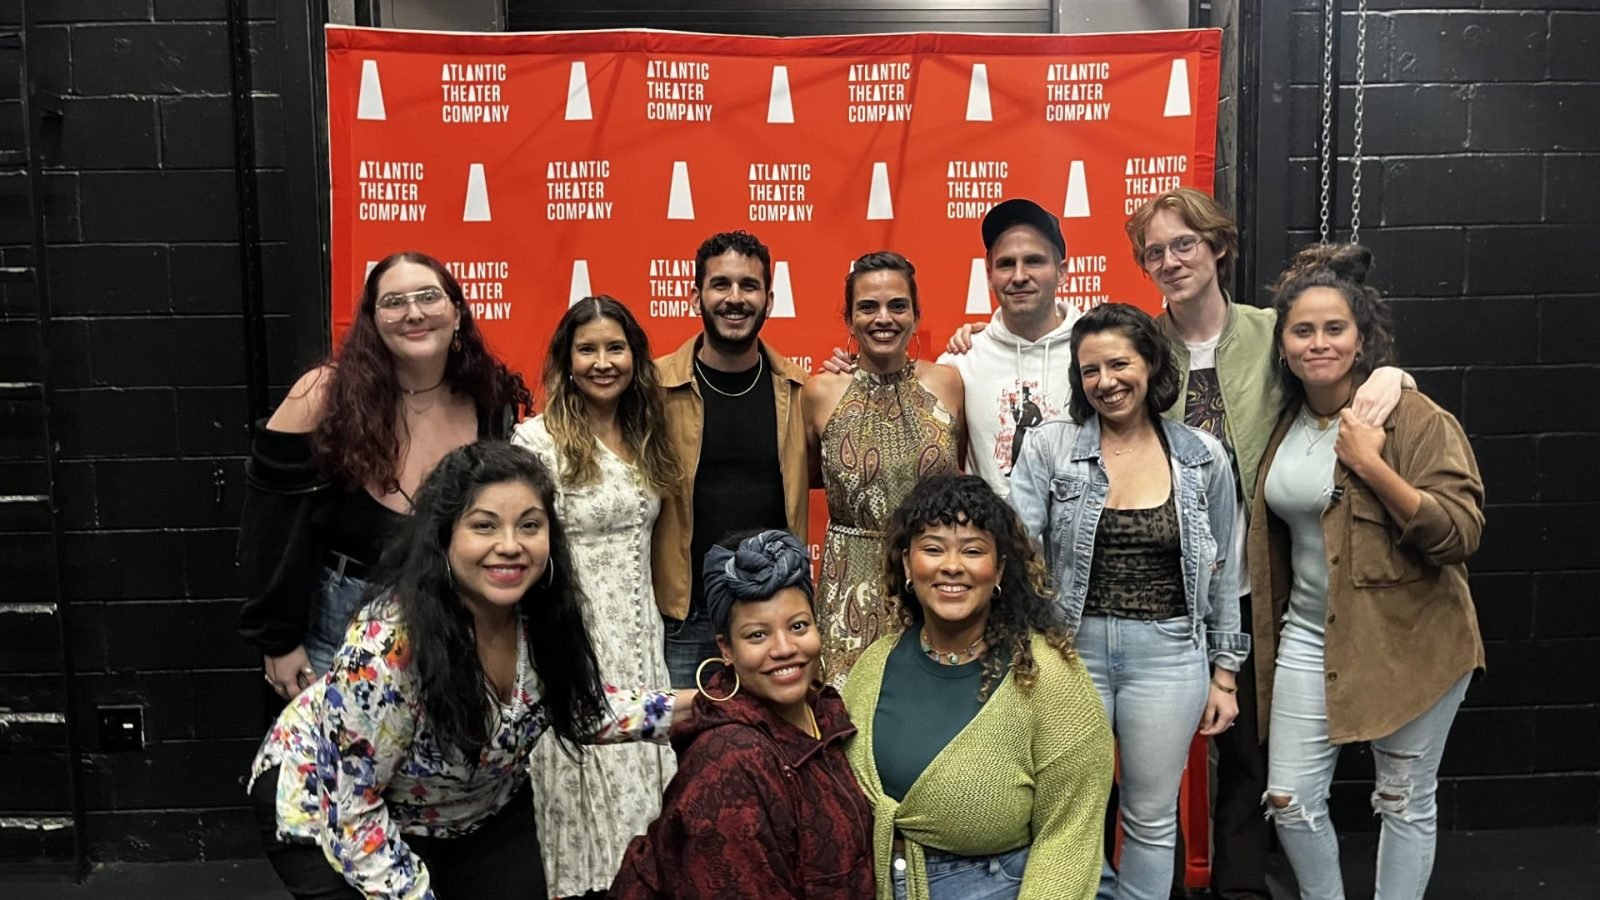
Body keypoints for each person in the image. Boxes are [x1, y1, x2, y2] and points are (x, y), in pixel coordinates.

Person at [1122, 189, 1411, 900]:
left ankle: (1239, 890)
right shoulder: (1142, 347)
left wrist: (1392, 375)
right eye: (1155, 251)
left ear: (1218, 246)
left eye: (1184, 243)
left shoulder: (1270, 332)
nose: (1170, 260)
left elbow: (1335, 363)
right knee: (1142, 768)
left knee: (1249, 765)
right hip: (1157, 591)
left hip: (1251, 589)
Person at [247, 441, 687, 900]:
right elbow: (354, 806)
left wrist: (698, 706)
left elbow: (580, 708)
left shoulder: (538, 615)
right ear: (444, 536)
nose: (511, 546)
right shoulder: (387, 647)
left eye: (530, 526)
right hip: (332, 808)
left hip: (470, 810)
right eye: (484, 526)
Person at [1252, 244, 1484, 900]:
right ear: (1284, 345)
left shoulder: (1411, 418)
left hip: (1411, 639)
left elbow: (1459, 534)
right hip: (1307, 635)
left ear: (1361, 339)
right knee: (1290, 798)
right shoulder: (1286, 419)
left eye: (1335, 329)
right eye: (1303, 330)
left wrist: (1374, 465)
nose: (1318, 343)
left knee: (1404, 799)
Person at [1009, 303, 1246, 900]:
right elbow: (1016, 551)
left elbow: (1225, 572)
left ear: (1150, 364)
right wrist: (1028, 644)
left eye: (1120, 364)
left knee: (1150, 817)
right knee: (1068, 811)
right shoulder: (1050, 449)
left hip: (1168, 657)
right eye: (1091, 370)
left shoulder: (1202, 456)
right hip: (1072, 652)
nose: (1106, 381)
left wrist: (1225, 675)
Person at [239, 250, 532, 699]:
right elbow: (270, 528)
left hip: (458, 624)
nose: (413, 313)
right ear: (372, 321)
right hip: (341, 627)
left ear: (457, 312)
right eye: (393, 302)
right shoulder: (323, 395)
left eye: (428, 297)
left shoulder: (488, 398)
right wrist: (277, 640)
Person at [843, 474, 1114, 900]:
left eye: (972, 550)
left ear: (1000, 568)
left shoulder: (1049, 678)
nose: (952, 565)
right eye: (933, 549)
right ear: (908, 564)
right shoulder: (875, 665)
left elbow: (1069, 835)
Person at [512, 296, 683, 898]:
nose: (603, 362)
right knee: (582, 786)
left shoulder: (647, 434)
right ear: (567, 359)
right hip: (571, 638)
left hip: (640, 639)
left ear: (636, 358)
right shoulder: (535, 442)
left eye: (616, 348)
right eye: (588, 349)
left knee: (646, 788)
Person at [612, 530, 874, 899]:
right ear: (726, 649)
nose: (784, 649)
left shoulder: (825, 711)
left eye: (798, 626)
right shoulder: (730, 760)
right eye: (757, 635)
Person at [827, 199, 1078, 500]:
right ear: (988, 275)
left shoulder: (1094, 351)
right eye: (1006, 264)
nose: (1020, 276)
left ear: (1062, 271)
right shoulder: (961, 363)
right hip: (990, 544)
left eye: (1034, 261)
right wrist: (855, 368)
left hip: (1081, 542)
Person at [654, 230, 810, 688]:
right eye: (720, 284)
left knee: (777, 755)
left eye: (749, 285)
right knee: (685, 758)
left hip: (778, 616)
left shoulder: (802, 390)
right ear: (696, 294)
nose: (734, 298)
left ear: (769, 298)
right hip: (686, 620)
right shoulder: (652, 389)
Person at [802, 251, 964, 682]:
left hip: (934, 579)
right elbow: (799, 483)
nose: (883, 318)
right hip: (848, 583)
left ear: (916, 313)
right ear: (849, 317)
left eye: (897, 305)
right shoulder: (820, 392)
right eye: (868, 307)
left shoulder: (947, 383)